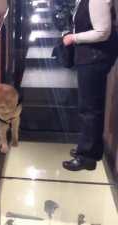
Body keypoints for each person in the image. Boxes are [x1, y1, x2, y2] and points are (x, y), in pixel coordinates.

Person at [62, 0, 117, 171]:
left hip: (94, 58)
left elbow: (103, 32)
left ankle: (87, 156)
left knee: (89, 108)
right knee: (90, 107)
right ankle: (89, 149)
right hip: (90, 57)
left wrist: (73, 37)